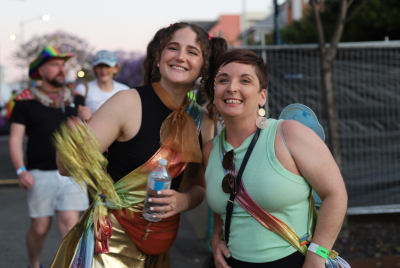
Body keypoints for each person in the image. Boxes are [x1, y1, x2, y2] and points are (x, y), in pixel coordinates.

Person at [50, 23, 227, 268]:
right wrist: (71, 142)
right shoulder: (127, 102)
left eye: (192, 52)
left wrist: (182, 201)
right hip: (110, 247)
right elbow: (66, 168)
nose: (180, 57)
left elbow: (198, 187)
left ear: (203, 66)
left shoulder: (204, 121)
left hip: (160, 248)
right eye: (172, 48)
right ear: (158, 57)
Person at [202, 49, 348, 268]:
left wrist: (317, 254)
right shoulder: (210, 150)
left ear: (262, 96)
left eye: (245, 80)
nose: (232, 87)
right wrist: (215, 236)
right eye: (223, 80)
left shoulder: (288, 134)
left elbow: (335, 194)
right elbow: (222, 203)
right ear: (214, 93)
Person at [8, 46, 92, 268]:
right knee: (40, 228)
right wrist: (20, 170)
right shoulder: (25, 100)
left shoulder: (73, 98)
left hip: (72, 172)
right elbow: (15, 139)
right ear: (41, 71)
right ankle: (34, 264)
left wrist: (87, 118)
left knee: (70, 225)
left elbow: (83, 136)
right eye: (55, 64)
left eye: (63, 65)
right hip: (40, 172)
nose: (61, 69)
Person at [75, 50, 129, 114]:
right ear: (95, 69)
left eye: (107, 66)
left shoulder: (125, 90)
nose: (103, 70)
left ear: (116, 69)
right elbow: (73, 117)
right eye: (100, 66)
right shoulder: (83, 89)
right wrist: (81, 116)